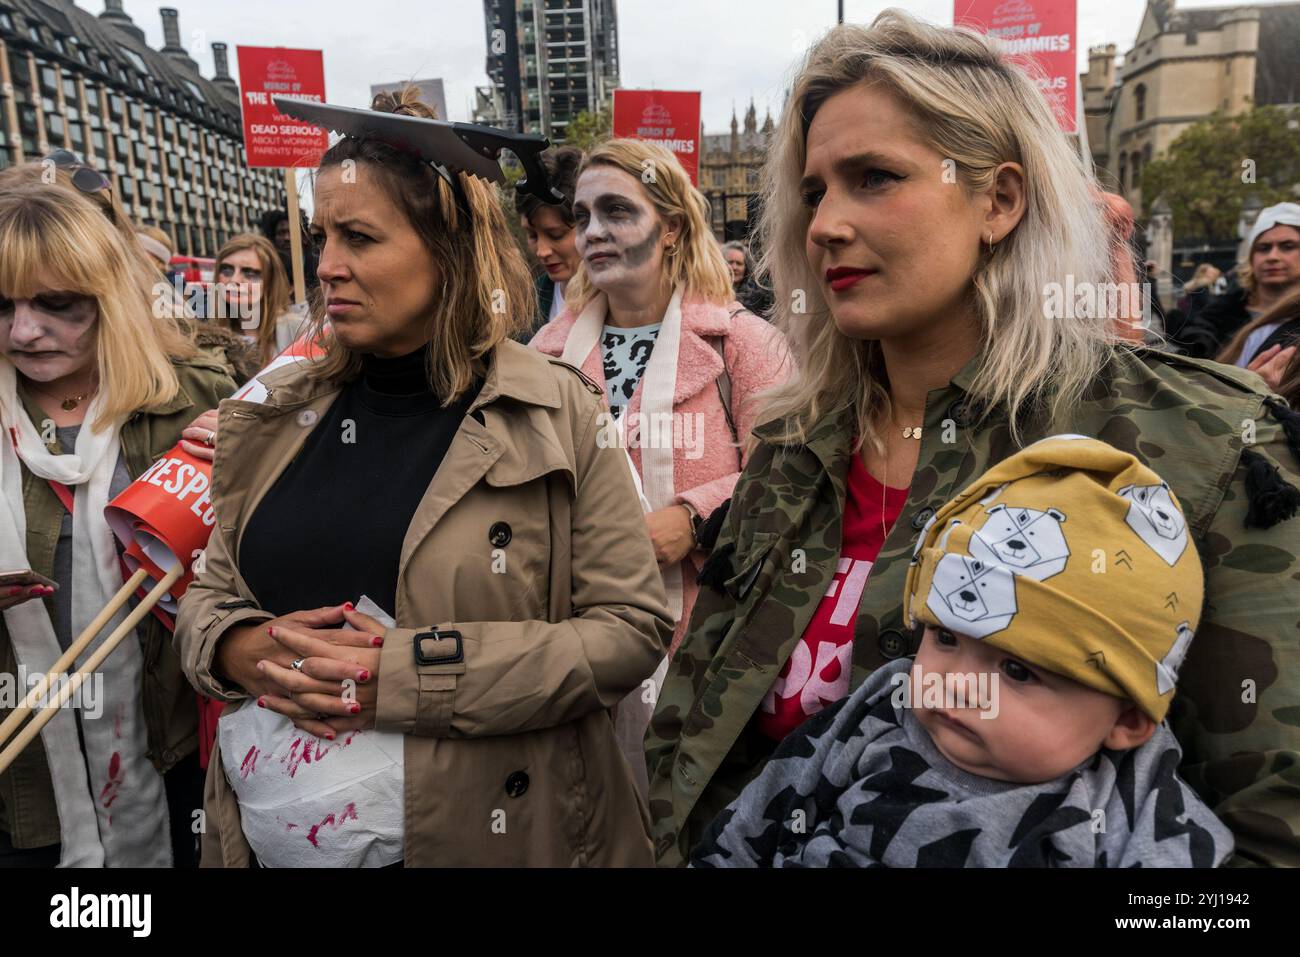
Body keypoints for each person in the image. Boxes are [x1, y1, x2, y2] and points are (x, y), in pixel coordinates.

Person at [646, 11, 1300, 868]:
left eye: (873, 177)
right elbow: (692, 739)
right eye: (814, 192)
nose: (826, 224)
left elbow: (1268, 840)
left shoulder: (1201, 444)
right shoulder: (792, 442)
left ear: (998, 199)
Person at [175, 88, 672, 867]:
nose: (328, 266)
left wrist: (408, 678)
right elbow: (209, 594)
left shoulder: (557, 411)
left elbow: (629, 630)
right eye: (321, 235)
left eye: (360, 237)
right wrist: (241, 646)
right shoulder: (272, 415)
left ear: (448, 249)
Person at [691, 437, 1234, 867]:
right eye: (945, 638)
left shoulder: (1137, 815)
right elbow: (752, 824)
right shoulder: (884, 708)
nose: (954, 682)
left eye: (1018, 670)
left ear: (1131, 719)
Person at [529, 140, 791, 792]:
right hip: (575, 655)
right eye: (583, 215)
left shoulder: (742, 343)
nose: (592, 232)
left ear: (671, 226)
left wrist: (692, 519)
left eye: (617, 211)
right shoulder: (542, 355)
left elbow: (791, 477)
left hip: (712, 657)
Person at [0, 168, 235, 867]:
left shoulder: (197, 396)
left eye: (56, 303)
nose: (25, 329)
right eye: (1, 304)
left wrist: (251, 476)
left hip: (171, 751)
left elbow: (272, 573)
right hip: (22, 775)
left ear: (111, 300)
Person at [1177, 202, 1300, 358]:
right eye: (1263, 248)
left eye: (1287, 246)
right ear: (1251, 257)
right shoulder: (1215, 320)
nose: (1272, 257)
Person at [515, 146, 584, 338]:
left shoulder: (623, 305)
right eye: (532, 236)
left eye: (556, 235)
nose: (541, 252)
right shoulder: (524, 304)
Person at [212, 234, 308, 365]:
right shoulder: (206, 334)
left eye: (249, 273)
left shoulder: (300, 331)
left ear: (269, 282)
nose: (234, 280)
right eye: (227, 270)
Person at [259, 208, 320, 302]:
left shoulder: (319, 266)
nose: (286, 238)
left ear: (304, 237)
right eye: (281, 233)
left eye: (291, 232)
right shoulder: (267, 270)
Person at [722, 241, 773, 318]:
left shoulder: (757, 297)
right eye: (730, 262)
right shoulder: (710, 292)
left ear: (746, 267)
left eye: (739, 263)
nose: (734, 267)